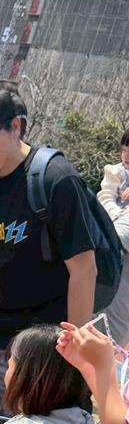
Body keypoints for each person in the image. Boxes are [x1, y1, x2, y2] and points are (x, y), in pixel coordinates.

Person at [0, 85, 98, 413]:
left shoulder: (55, 180)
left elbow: (84, 269)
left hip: (37, 347)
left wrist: (75, 351)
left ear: (15, 127)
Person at [97, 130, 129, 345]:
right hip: (115, 230)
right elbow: (105, 196)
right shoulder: (116, 172)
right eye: (124, 150)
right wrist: (117, 215)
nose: (126, 155)